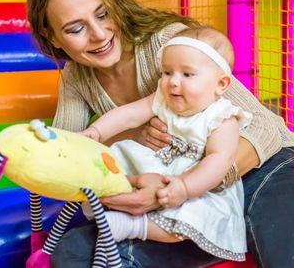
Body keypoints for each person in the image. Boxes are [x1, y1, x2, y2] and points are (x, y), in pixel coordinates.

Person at [27, 0, 294, 268]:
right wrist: (131, 137)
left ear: (114, 1)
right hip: (176, 201)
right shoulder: (77, 77)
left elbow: (264, 128)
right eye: (76, 28)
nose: (99, 34)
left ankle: (241, 229)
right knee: (72, 254)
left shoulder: (170, 44)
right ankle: (216, 239)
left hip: (256, 171)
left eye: (102, 14)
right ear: (52, 36)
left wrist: (188, 187)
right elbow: (66, 155)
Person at [79, 26, 252, 262]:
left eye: (187, 75)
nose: (173, 82)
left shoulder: (222, 119)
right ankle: (100, 196)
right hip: (155, 161)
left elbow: (218, 160)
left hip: (194, 180)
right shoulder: (162, 98)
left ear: (220, 84)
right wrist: (96, 131)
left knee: (192, 218)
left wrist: (185, 188)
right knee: (115, 157)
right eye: (167, 72)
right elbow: (129, 114)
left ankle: (132, 226)